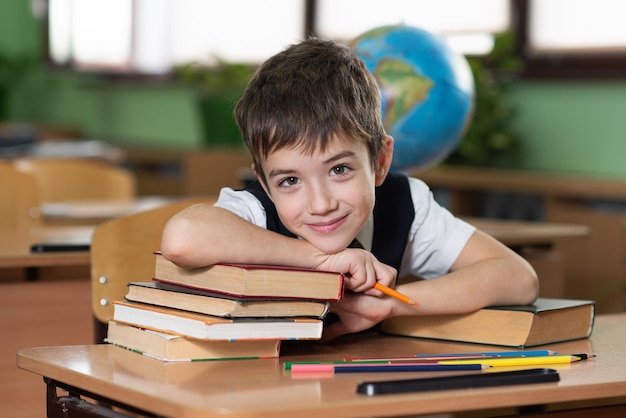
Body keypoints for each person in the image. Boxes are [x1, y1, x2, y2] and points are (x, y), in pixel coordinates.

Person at [161, 38, 539, 341]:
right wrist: (320, 261)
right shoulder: (254, 213)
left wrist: (392, 306)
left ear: (379, 162)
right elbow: (183, 237)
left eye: (339, 169)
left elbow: (519, 278)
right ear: (264, 182)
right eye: (289, 181)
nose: (321, 204)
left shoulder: (404, 204)